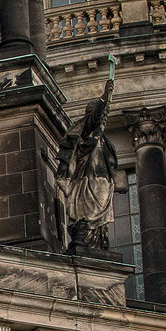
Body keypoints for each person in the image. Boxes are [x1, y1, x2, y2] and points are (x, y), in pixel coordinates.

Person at [55, 78, 120, 250]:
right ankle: (83, 236)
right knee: (87, 214)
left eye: (106, 114)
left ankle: (97, 242)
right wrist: (104, 98)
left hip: (101, 183)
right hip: (87, 181)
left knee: (98, 219)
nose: (104, 117)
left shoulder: (102, 139)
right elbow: (95, 119)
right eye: (102, 114)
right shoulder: (86, 131)